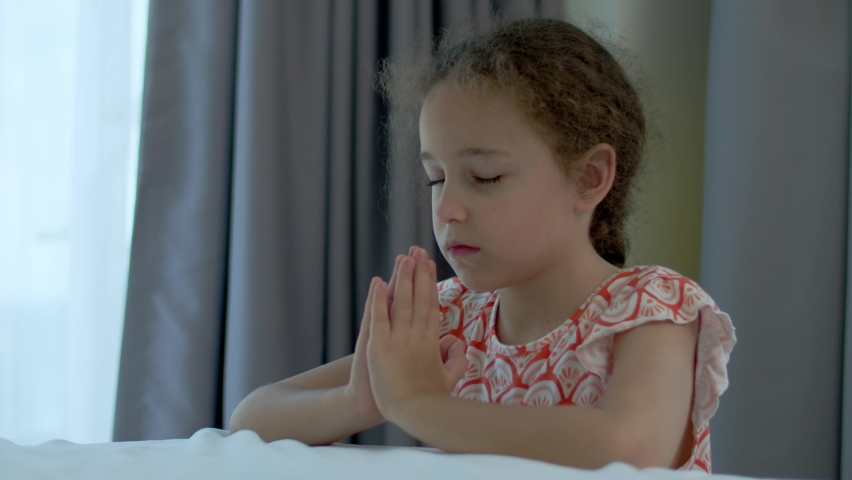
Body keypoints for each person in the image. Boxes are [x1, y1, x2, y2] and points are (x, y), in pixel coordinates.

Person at [229, 17, 736, 473]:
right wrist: (361, 400)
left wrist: (418, 404)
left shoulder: (652, 308)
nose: (447, 208)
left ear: (589, 177)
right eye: (436, 179)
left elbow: (629, 447)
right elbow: (250, 417)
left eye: (485, 176)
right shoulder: (452, 317)